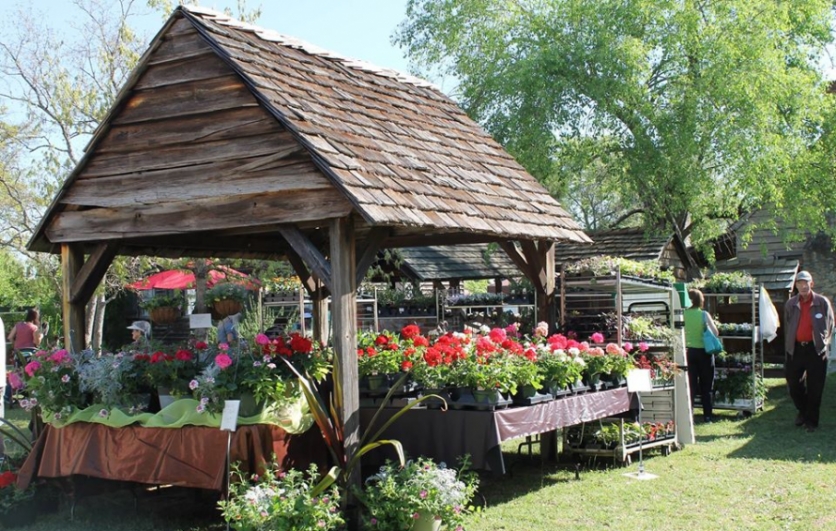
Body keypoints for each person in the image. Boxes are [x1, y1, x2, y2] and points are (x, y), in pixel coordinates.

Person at [784, 271, 834, 432]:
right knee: (793, 384)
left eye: (806, 283)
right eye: (800, 283)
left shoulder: (821, 302)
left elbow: (830, 323)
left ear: (812, 284)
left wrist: (824, 342)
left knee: (815, 387)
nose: (803, 286)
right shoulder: (790, 304)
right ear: (796, 285)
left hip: (816, 350)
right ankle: (803, 411)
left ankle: (811, 422)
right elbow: (787, 324)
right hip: (796, 349)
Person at [684, 288, 720, 423]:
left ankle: (689, 415)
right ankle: (707, 416)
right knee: (706, 386)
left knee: (690, 385)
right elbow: (715, 332)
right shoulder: (704, 314)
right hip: (704, 352)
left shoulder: (682, 314)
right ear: (700, 300)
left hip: (688, 352)